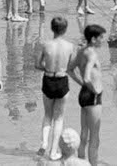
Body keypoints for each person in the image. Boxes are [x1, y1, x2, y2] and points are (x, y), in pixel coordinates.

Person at [36, 16, 76, 160]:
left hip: (48, 78)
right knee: (59, 118)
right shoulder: (70, 46)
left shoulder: (45, 45)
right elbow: (70, 67)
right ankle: (53, 152)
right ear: (65, 29)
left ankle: (44, 142)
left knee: (48, 115)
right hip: (62, 79)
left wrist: (47, 68)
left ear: (52, 28)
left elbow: (37, 64)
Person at [68, 24, 105, 166]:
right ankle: (93, 164)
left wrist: (82, 85)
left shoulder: (81, 51)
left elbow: (70, 70)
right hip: (93, 96)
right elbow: (87, 77)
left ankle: (81, 161)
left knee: (84, 133)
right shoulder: (92, 53)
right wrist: (93, 88)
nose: (103, 40)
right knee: (94, 137)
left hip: (83, 94)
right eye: (101, 38)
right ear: (94, 39)